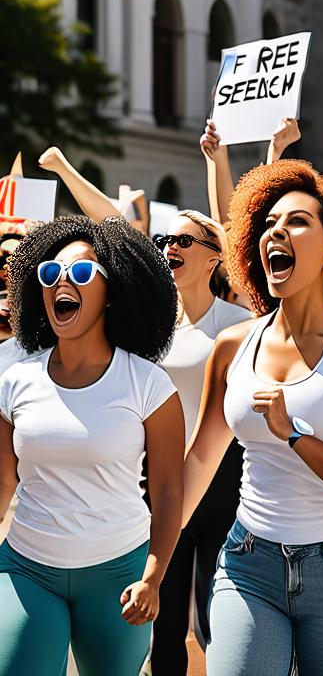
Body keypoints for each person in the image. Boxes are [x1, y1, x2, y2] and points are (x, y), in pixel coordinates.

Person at [181, 160, 323, 676]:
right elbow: (197, 463)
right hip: (248, 563)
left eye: (298, 221)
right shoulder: (233, 345)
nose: (276, 231)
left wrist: (293, 434)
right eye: (269, 223)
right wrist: (153, 556)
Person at [0, 216, 183, 675]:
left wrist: (153, 578)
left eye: (81, 273)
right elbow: (3, 479)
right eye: (50, 273)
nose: (63, 281)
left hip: (119, 575)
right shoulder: (15, 378)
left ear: (111, 292)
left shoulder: (149, 385)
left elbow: (166, 492)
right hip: (27, 568)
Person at [149, 210, 251, 675]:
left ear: (215, 258)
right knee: (164, 616)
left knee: (218, 613)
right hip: (162, 478)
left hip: (224, 477)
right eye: (167, 238)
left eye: (185, 241)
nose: (172, 246)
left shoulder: (240, 322)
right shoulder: (149, 325)